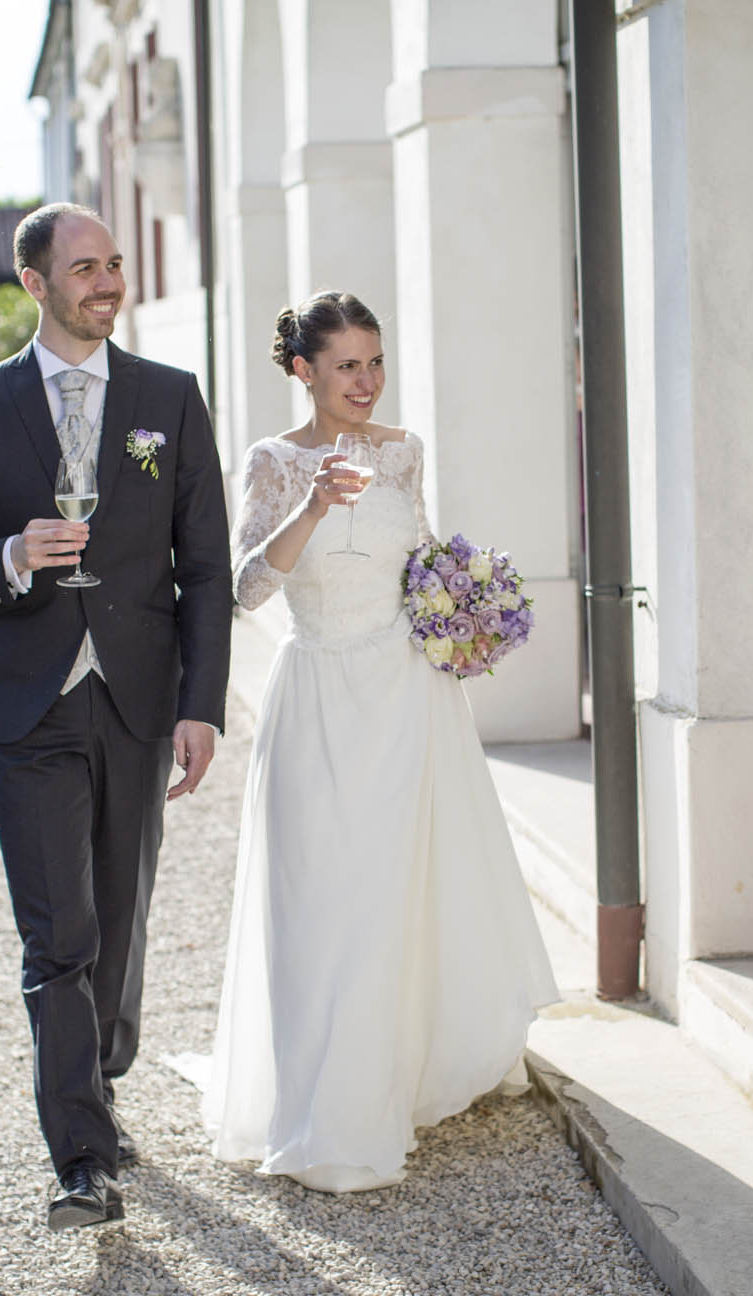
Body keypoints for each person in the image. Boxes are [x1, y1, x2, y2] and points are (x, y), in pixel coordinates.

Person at [0, 203, 232, 1230]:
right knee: (59, 935)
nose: (107, 283)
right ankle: (82, 1159)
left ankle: (99, 1078)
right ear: (35, 282)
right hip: (30, 707)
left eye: (115, 264)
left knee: (119, 919)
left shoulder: (168, 398)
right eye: (86, 267)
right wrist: (10, 555)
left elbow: (205, 568)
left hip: (138, 698)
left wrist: (200, 706)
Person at [202, 291, 558, 1193]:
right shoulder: (273, 461)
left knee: (392, 894)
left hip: (408, 699)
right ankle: (323, 1099)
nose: (366, 382)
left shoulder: (404, 451)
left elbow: (423, 555)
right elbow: (244, 590)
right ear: (304, 370)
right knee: (322, 895)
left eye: (375, 362)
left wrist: (464, 608)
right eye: (346, 365)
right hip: (319, 697)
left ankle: (382, 1088)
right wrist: (311, 507)